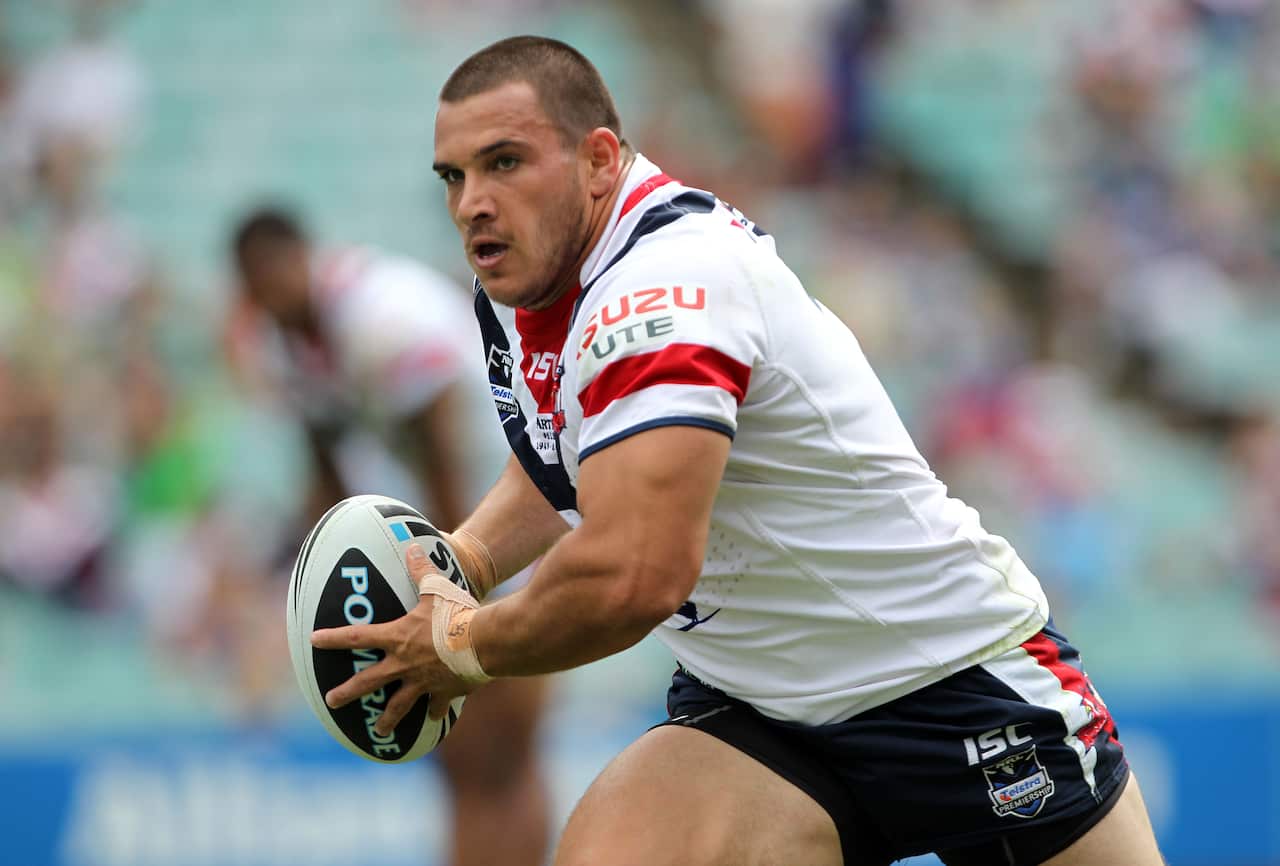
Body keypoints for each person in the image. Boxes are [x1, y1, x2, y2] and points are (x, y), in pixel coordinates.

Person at [312, 36, 1166, 866]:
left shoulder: (662, 293)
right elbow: (570, 456)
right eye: (453, 177)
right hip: (757, 705)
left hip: (943, 680)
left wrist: (460, 642)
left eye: (504, 162)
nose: (471, 204)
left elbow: (633, 574)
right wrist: (465, 557)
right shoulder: (534, 274)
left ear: (601, 160)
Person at [228, 210, 550, 866]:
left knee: (497, 752)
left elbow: (444, 460)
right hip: (441, 534)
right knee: (459, 760)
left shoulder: (386, 317)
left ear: (302, 259)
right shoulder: (287, 341)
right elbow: (328, 479)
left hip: (510, 519)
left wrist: (455, 586)